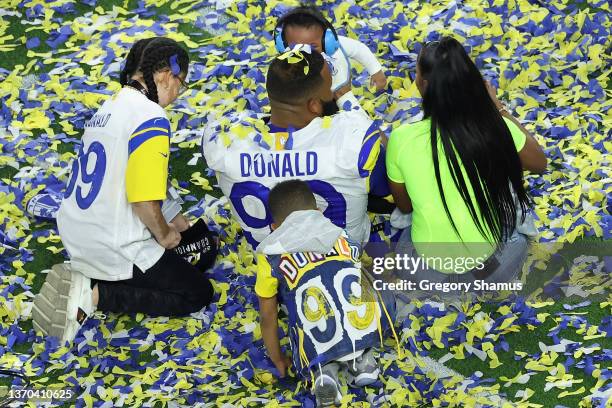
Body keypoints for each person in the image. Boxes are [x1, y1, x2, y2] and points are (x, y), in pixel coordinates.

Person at [32, 37, 218, 345]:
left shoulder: (109, 107)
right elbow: (143, 200)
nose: (176, 95)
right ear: (165, 76)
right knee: (197, 292)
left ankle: (93, 276)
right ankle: (94, 295)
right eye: (180, 85)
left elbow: (133, 172)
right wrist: (166, 235)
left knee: (202, 244)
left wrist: (178, 221)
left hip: (78, 234)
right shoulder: (152, 117)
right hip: (115, 245)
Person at [386, 37, 547, 291]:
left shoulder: (401, 139)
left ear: (424, 85)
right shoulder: (493, 127)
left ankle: (446, 291)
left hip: (426, 274)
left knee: (405, 232)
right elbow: (539, 162)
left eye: (416, 73)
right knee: (518, 233)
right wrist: (498, 109)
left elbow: (404, 206)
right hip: (492, 271)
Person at [202, 45, 389, 249]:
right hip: (343, 254)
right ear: (314, 105)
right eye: (330, 87)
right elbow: (387, 188)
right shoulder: (353, 138)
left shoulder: (223, 136)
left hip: (269, 259)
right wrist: (346, 97)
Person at [255, 180, 393, 407]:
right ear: (317, 212)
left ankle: (323, 371)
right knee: (360, 292)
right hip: (365, 326)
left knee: (306, 313)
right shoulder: (342, 234)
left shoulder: (269, 253)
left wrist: (278, 358)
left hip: (319, 339)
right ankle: (363, 360)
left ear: (274, 227)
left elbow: (268, 316)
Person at [275, 5, 387, 101]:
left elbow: (359, 49)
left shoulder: (338, 45)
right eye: (296, 47)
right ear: (283, 44)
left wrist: (376, 71)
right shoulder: (287, 57)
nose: (305, 52)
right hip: (309, 100)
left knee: (351, 114)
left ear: (327, 40)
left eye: (313, 46)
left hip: (340, 91)